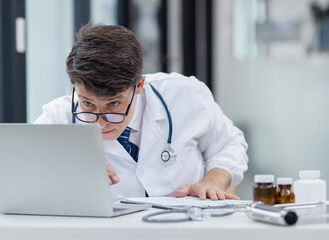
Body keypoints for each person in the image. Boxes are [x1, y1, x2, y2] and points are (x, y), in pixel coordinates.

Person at [35, 24, 248, 201]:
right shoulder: (57, 118)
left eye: (113, 105)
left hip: (185, 227)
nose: (99, 123)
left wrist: (213, 181)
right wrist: (65, 169)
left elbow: (229, 144)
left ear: (139, 86)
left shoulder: (186, 95)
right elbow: (21, 174)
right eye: (88, 104)